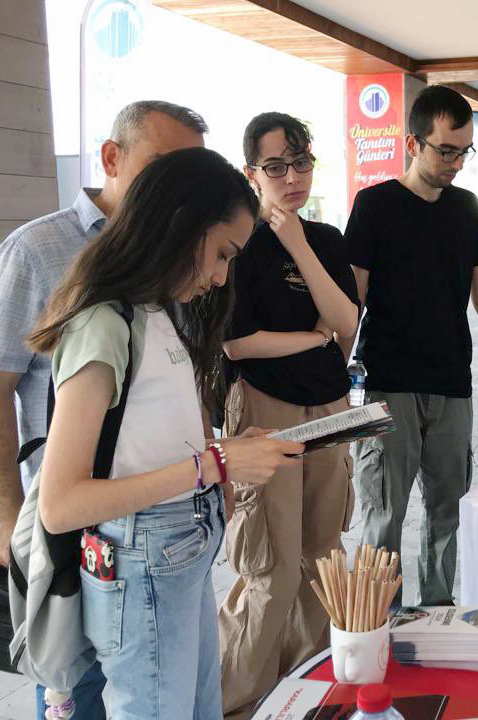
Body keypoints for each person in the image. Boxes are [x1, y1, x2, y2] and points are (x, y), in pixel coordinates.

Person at [28, 147, 304, 719]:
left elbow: (144, 439)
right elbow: (61, 504)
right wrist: (214, 468)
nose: (222, 275)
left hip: (178, 553)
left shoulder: (155, 311)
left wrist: (222, 451)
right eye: (222, 254)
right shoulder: (103, 323)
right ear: (180, 224)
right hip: (142, 561)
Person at [0, 100, 207, 720]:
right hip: (71, 530)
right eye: (162, 168)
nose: (176, 190)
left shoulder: (171, 257)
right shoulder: (37, 250)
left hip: (157, 530)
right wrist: (3, 518)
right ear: (111, 159)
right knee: (79, 690)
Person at [345, 85, 478, 605]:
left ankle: (436, 617)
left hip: (453, 386)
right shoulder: (375, 206)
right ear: (413, 142)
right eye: (445, 150)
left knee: (448, 510)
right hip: (389, 387)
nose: (456, 163)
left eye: (463, 151)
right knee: (384, 515)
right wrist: (334, 380)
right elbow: (351, 301)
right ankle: (377, 624)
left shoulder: (466, 208)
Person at [218, 113, 359, 720]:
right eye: (276, 166)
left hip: (329, 407)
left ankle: (306, 685)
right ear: (252, 172)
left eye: (301, 163)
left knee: (323, 556)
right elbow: (237, 343)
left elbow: (348, 324)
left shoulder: (325, 238)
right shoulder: (239, 242)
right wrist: (312, 337)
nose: (292, 176)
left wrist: (299, 244)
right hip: (264, 412)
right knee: (270, 565)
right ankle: (235, 698)